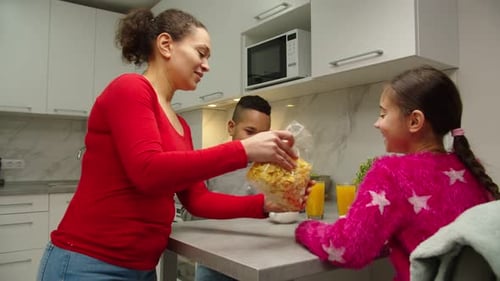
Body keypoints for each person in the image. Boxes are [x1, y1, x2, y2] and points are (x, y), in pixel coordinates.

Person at [37, 8, 301, 281]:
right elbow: (148, 171)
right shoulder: (130, 88)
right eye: (201, 53)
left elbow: (198, 200)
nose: (206, 65)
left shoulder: (181, 125)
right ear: (166, 45)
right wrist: (244, 150)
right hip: (89, 263)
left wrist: (264, 205)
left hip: (140, 268)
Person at [295, 65, 499, 281]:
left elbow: (348, 249)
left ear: (414, 121)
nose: (377, 123)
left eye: (383, 114)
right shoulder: (469, 167)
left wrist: (305, 229)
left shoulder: (390, 173)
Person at [195, 95, 272, 281]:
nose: (256, 141)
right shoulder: (209, 164)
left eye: (262, 135)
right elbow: (194, 218)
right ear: (231, 127)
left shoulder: (272, 169)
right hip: (214, 266)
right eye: (250, 132)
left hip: (261, 263)